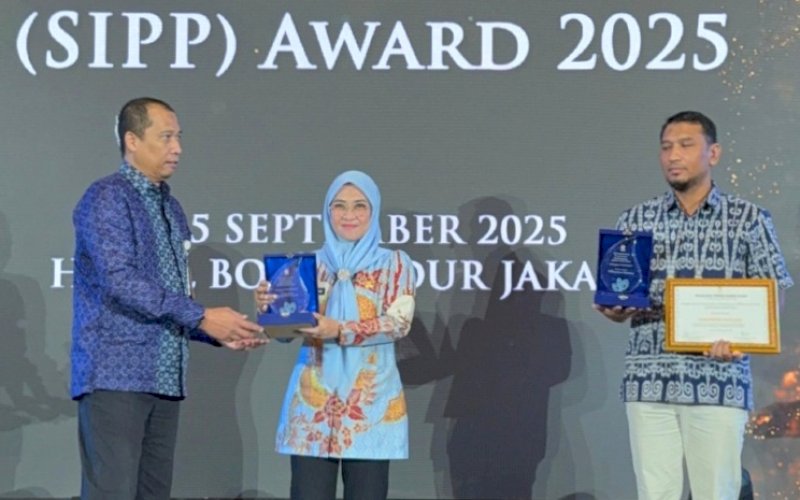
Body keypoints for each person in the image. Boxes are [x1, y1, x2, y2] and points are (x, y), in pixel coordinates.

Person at [71, 97, 266, 500]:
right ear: (132, 140)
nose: (177, 147)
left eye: (178, 137)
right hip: (115, 377)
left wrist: (217, 332)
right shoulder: (108, 197)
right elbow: (119, 280)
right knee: (113, 492)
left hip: (164, 377)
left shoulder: (171, 207)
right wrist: (201, 316)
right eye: (166, 137)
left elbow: (168, 300)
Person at [594, 110, 794, 500]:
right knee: (655, 494)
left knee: (716, 493)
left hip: (719, 380)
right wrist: (614, 308)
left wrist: (743, 341)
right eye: (666, 147)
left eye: (686, 145)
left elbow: (773, 291)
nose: (673, 155)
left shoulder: (748, 219)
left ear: (713, 153)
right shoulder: (636, 218)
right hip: (648, 382)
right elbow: (619, 291)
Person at [255, 170, 416, 500]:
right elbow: (286, 333)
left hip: (368, 404)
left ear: (374, 211)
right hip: (314, 402)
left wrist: (339, 329)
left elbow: (399, 322)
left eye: (360, 206)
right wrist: (271, 311)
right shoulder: (307, 263)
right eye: (339, 206)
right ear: (327, 212)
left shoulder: (394, 263)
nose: (349, 215)